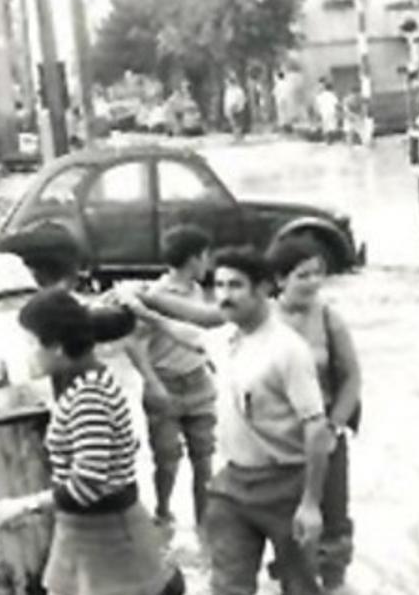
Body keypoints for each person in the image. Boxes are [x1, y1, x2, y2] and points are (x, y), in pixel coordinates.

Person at [124, 247, 333, 595]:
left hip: (285, 485)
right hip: (233, 484)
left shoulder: (287, 350)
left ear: (264, 288)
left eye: (235, 286)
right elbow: (193, 337)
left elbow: (316, 426)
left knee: (300, 586)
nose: (224, 295)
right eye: (219, 285)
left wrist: (311, 504)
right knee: (226, 587)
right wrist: (146, 314)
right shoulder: (228, 338)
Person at [0, 289, 186, 595]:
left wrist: (24, 506)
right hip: (86, 533)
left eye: (31, 343)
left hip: (108, 537)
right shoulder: (85, 383)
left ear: (56, 347)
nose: (28, 353)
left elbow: (88, 482)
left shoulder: (88, 395)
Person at [266, 237, 361, 592]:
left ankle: (335, 584)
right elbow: (206, 320)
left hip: (323, 434)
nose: (313, 282)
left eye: (317, 274)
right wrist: (146, 304)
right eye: (302, 275)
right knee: (284, 524)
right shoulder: (262, 318)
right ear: (279, 280)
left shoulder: (329, 317)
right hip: (276, 437)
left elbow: (352, 377)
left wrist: (334, 427)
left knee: (333, 524)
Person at [123, 225, 218, 530]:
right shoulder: (155, 295)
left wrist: (209, 361)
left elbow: (200, 333)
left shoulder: (198, 293)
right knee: (167, 460)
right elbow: (133, 343)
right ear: (193, 259)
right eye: (206, 257)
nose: (209, 264)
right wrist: (152, 383)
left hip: (198, 381)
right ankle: (163, 512)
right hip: (166, 383)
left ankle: (205, 524)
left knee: (204, 459)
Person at [314, 80, 340, 145]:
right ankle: (330, 140)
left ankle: (327, 140)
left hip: (323, 112)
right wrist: (338, 111)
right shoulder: (333, 95)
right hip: (331, 112)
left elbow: (317, 104)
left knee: (325, 126)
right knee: (331, 126)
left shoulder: (321, 95)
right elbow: (336, 104)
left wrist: (318, 112)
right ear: (331, 88)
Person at [224, 75, 248, 141]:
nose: (226, 84)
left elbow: (243, 99)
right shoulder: (228, 91)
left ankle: (239, 137)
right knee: (233, 124)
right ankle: (236, 137)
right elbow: (227, 101)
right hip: (230, 109)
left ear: (231, 83)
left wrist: (238, 106)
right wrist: (226, 109)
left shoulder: (238, 90)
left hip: (237, 108)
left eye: (227, 83)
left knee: (237, 124)